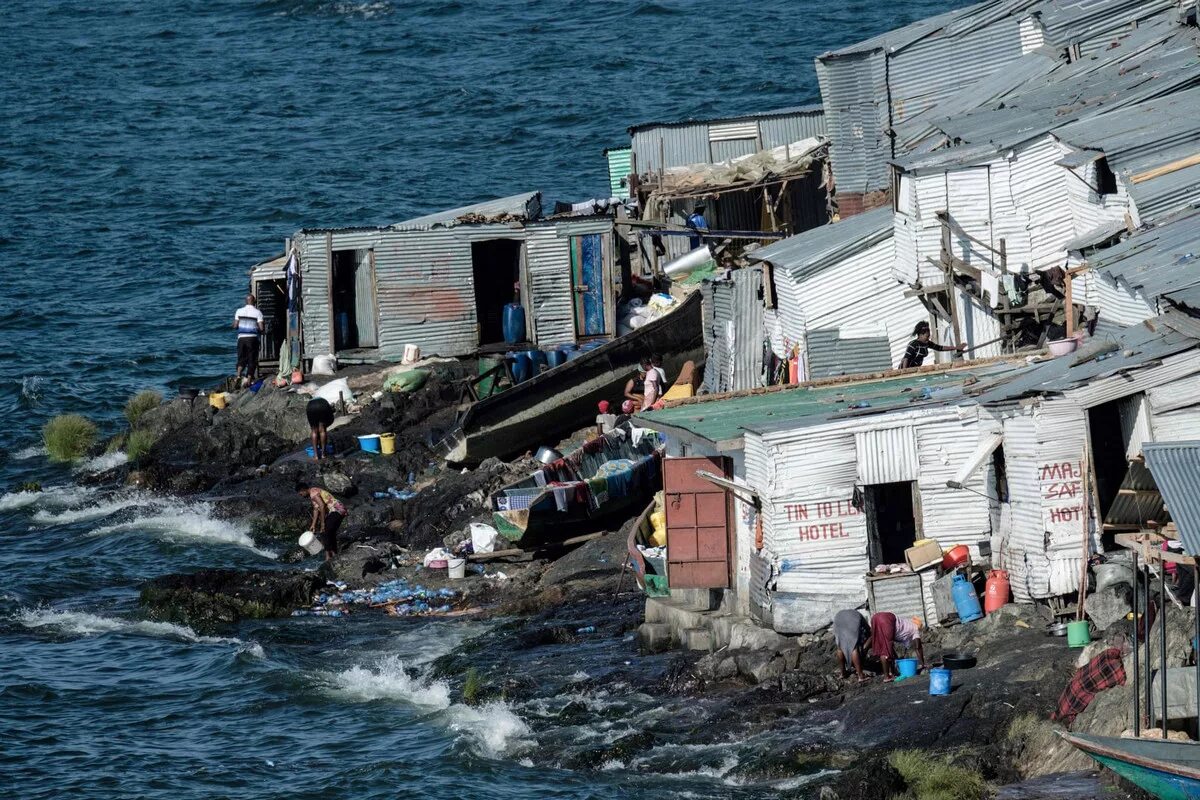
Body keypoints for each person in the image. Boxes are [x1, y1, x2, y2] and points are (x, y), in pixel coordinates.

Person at [297, 479, 346, 562]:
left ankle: (328, 556)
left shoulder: (313, 494)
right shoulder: (313, 493)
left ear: (303, 490)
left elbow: (322, 506)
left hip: (337, 510)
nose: (300, 495)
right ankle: (334, 553)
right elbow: (316, 510)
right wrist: (313, 524)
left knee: (324, 531)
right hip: (338, 509)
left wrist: (323, 523)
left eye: (300, 493)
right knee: (330, 532)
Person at [870, 611, 925, 682]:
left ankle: (890, 673)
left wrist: (896, 660)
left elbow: (892, 648)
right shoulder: (915, 629)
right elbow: (918, 647)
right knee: (885, 649)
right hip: (887, 619)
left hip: (875, 617)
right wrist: (922, 664)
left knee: (883, 647)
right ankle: (887, 677)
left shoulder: (907, 624)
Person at [899, 321, 964, 369]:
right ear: (921, 335)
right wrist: (905, 372)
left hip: (916, 369)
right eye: (927, 336)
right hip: (906, 369)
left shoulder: (926, 343)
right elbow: (906, 358)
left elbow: (940, 348)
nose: (928, 338)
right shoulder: (913, 344)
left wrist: (956, 348)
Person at [233, 294, 264, 385]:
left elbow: (235, 326)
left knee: (241, 358)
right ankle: (249, 380)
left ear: (245, 301)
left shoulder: (239, 311)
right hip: (252, 338)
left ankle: (238, 375)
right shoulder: (258, 312)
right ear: (254, 301)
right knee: (252, 359)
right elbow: (261, 328)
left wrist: (235, 325)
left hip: (241, 338)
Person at [833, 609, 871, 683]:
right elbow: (868, 629)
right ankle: (860, 675)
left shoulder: (845, 613)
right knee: (853, 647)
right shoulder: (859, 615)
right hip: (852, 621)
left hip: (838, 618)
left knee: (840, 647)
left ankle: (843, 673)